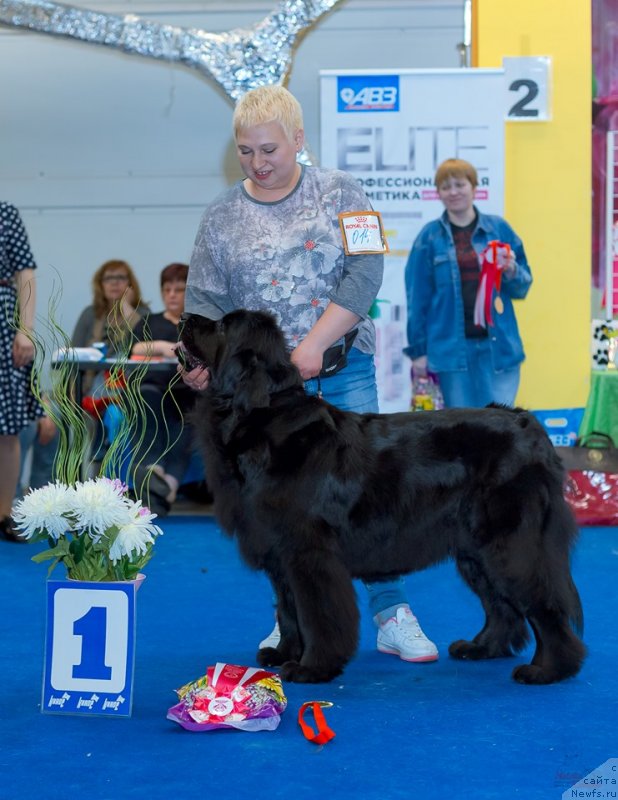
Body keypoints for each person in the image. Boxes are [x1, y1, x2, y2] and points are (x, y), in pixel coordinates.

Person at [180, 85, 438, 663]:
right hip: (265, 403)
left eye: (269, 149)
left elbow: (366, 273)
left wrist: (315, 345)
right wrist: (197, 364)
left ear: (299, 139)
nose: (258, 162)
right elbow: (202, 307)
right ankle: (290, 616)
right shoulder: (220, 215)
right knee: (281, 515)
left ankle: (392, 613)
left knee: (373, 505)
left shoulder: (343, 191)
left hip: (344, 374)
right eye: (245, 151)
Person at [404, 158, 533, 408]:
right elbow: (416, 299)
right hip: (451, 356)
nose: (453, 192)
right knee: (463, 433)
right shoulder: (428, 238)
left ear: (474, 188)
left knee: (500, 432)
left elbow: (522, 286)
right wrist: (418, 351)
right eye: (445, 186)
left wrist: (510, 269)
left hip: (500, 352)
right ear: (438, 193)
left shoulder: (499, 230)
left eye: (459, 184)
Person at [130, 263, 199, 515]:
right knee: (148, 399)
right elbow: (133, 349)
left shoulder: (195, 324)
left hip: (187, 393)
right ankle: (155, 471)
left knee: (187, 425)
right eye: (166, 289)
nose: (171, 295)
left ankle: (164, 488)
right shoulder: (149, 321)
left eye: (178, 289)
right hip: (154, 390)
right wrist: (159, 346)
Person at [71, 259, 148, 461]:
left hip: (129, 389)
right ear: (100, 284)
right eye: (108, 279)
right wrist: (71, 390)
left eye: (120, 278)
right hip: (90, 388)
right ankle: (99, 454)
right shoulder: (90, 314)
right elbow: (73, 355)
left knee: (115, 413)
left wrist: (126, 308)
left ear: (130, 283)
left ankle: (105, 455)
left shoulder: (142, 313)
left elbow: (145, 345)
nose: (114, 283)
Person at [0, 201, 44, 541]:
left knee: (7, 426)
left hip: (3, 325)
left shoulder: (5, 213)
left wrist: (24, 330)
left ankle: (3, 514)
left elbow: (26, 273)